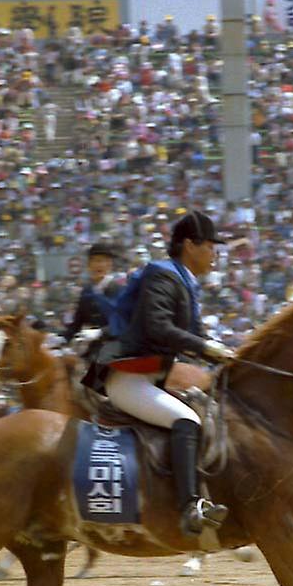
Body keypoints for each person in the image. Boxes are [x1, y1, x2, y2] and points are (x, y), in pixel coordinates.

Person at [86, 211, 235, 536]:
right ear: (189, 245)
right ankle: (189, 507)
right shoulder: (163, 276)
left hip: (151, 376)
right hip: (128, 378)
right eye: (211, 246)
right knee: (187, 421)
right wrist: (208, 348)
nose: (215, 254)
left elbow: (194, 339)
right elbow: (159, 327)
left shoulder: (184, 281)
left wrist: (226, 359)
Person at [62, 243, 122, 353]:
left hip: (116, 347)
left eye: (102, 261)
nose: (98, 265)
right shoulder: (86, 291)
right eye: (94, 261)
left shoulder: (119, 290)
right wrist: (60, 338)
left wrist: (101, 332)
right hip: (92, 349)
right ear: (89, 265)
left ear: (109, 264)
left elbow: (123, 322)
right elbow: (76, 325)